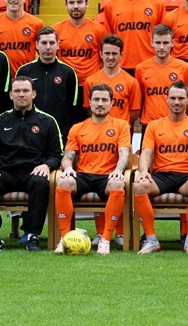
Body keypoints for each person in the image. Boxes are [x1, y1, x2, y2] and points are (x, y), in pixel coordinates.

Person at [0, 77, 62, 252]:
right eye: (17, 91)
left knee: (40, 183)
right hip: (6, 172)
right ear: (10, 95)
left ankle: (32, 236)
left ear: (33, 94)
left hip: (33, 172)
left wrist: (47, 165)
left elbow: (56, 154)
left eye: (25, 91)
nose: (21, 95)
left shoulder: (47, 121)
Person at [54, 84, 132, 255]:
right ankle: (65, 238)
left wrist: (119, 170)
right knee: (63, 181)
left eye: (104, 100)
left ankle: (105, 239)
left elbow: (124, 153)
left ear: (111, 103)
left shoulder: (121, 125)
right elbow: (68, 156)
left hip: (107, 176)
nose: (100, 103)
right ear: (89, 102)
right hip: (83, 175)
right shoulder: (78, 127)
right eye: (96, 99)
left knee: (118, 184)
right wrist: (67, 168)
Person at [133, 81, 188, 255]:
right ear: (166, 99)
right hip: (163, 176)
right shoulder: (154, 126)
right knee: (139, 186)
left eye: (181, 98)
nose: (177, 102)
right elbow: (146, 153)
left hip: (187, 176)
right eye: (173, 98)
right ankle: (151, 240)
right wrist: (143, 171)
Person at [102, 0, 165, 73]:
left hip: (150, 66)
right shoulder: (111, 5)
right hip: (121, 67)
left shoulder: (157, 4)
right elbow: (109, 39)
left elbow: (163, 38)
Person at [16, 26, 79, 139]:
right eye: (44, 43)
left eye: (52, 43)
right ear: (36, 45)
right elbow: (17, 104)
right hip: (29, 132)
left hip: (59, 133)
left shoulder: (68, 72)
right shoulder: (24, 71)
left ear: (58, 45)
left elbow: (72, 108)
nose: (48, 47)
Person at [135, 24, 188, 132]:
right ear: (152, 43)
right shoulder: (141, 68)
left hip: (176, 126)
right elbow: (140, 99)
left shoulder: (184, 67)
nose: (161, 47)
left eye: (165, 43)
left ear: (172, 43)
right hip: (150, 126)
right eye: (158, 43)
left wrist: (177, 115)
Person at [53, 0, 107, 87]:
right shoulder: (56, 30)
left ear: (87, 4)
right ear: (66, 5)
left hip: (91, 85)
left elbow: (104, 59)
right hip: (64, 85)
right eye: (71, 3)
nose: (76, 6)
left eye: (80, 2)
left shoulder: (99, 30)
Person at [82, 35, 141, 125]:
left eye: (114, 54)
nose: (110, 57)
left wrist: (120, 126)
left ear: (121, 55)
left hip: (121, 134)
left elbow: (135, 112)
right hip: (99, 130)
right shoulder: (90, 81)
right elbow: (88, 108)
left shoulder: (131, 82)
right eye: (107, 53)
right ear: (101, 54)